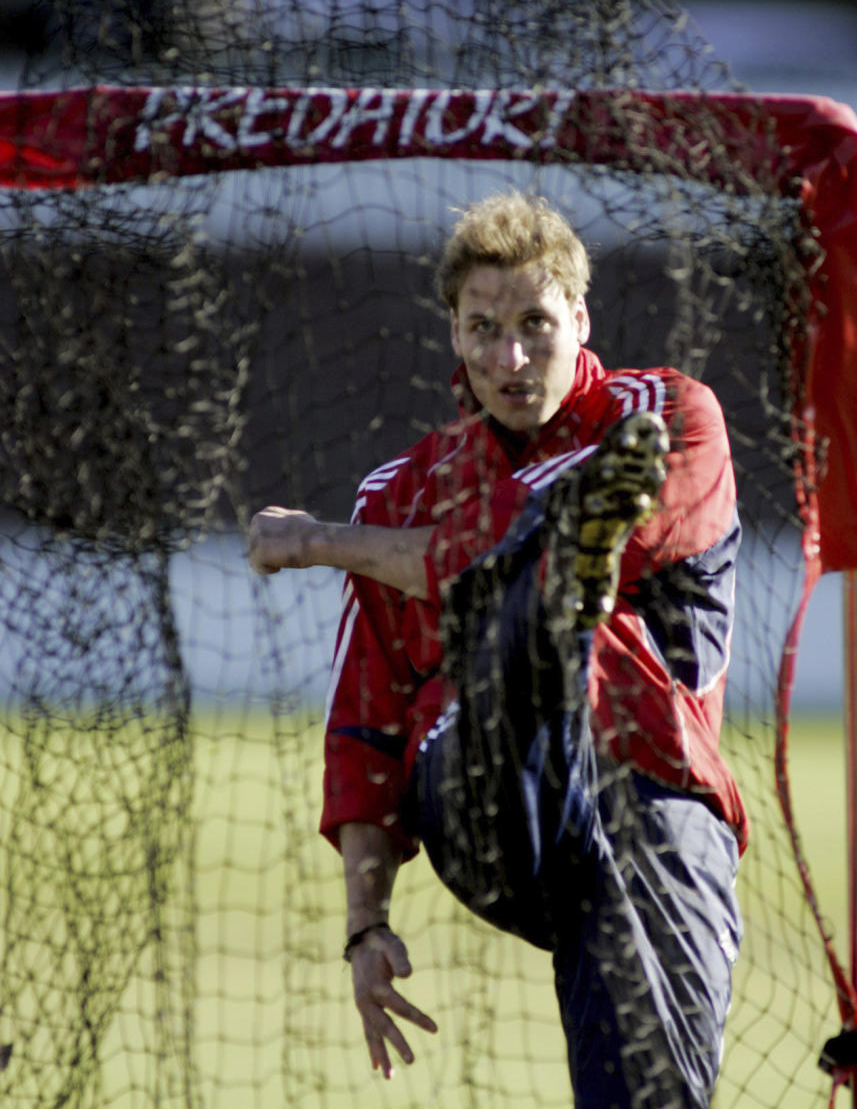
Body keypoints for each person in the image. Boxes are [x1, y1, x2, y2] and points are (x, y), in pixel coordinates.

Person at [248, 192, 747, 1109]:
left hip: (652, 800)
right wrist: (366, 926)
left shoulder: (670, 416)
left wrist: (321, 539)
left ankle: (547, 584)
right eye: (483, 328)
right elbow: (365, 727)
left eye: (534, 324)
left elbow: (520, 541)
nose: (508, 358)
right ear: (452, 332)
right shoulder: (399, 489)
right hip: (478, 788)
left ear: (581, 317)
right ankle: (537, 606)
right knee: (510, 623)